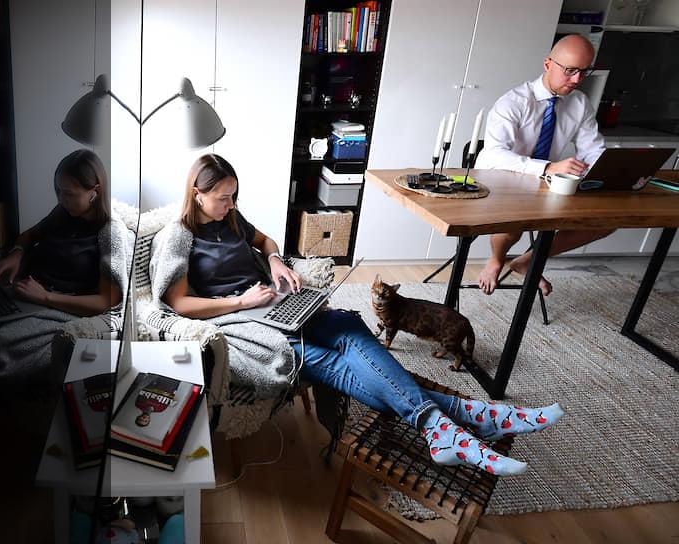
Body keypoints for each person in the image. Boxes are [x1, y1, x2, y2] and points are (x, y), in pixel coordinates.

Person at [161, 154, 566, 476]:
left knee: (351, 330)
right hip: (247, 322)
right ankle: (472, 416)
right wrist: (240, 303)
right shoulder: (179, 236)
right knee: (339, 365)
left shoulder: (231, 218)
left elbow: (265, 240)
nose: (231, 204)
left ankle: (450, 426)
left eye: (234, 196)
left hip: (274, 301)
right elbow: (178, 304)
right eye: (223, 198)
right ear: (197, 194)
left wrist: (276, 262)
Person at [474, 34, 614, 296]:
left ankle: (528, 261)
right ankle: (495, 260)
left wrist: (608, 169)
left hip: (547, 185)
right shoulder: (513, 102)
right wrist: (548, 167)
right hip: (500, 180)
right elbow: (494, 154)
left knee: (605, 223)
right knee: (516, 222)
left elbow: (593, 149)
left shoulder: (579, 103)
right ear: (548, 64)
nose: (577, 80)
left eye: (584, 72)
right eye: (570, 70)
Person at [0, 148, 122, 317]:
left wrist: (45, 297)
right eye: (59, 190)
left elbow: (107, 301)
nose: (61, 199)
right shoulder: (63, 212)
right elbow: (30, 235)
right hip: (24, 284)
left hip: (53, 302)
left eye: (69, 194)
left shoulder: (110, 233)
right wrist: (16, 253)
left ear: (95, 192)